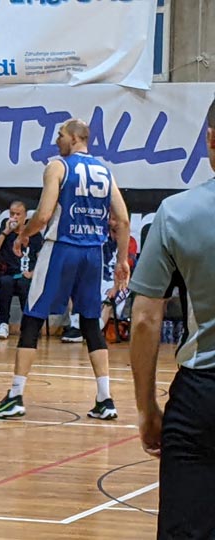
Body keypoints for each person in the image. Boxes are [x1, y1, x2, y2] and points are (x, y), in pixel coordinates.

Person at [0, 119, 130, 420]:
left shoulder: (58, 167)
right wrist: (121, 260)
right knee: (90, 322)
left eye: (60, 135)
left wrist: (24, 235)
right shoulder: (105, 171)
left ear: (75, 138)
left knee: (32, 316)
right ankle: (105, 399)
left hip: (62, 248)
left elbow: (44, 214)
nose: (56, 140)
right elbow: (124, 220)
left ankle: (15, 396)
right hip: (93, 253)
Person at [129, 98, 215, 540]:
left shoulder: (177, 213)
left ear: (210, 140)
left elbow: (145, 319)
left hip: (203, 396)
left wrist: (147, 409)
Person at [0, 201, 43, 339]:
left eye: (18, 214)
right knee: (6, 282)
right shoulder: (4, 231)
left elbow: (43, 259)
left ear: (25, 216)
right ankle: (3, 323)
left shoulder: (34, 234)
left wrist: (33, 274)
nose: (15, 217)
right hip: (9, 274)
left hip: (26, 275)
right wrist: (5, 232)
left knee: (24, 284)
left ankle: (28, 324)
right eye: (12, 214)